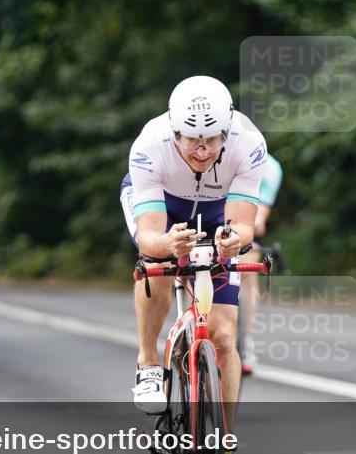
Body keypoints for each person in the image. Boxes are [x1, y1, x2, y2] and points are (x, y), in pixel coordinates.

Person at [120, 75, 266, 420]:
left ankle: (223, 440)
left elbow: (243, 224)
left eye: (212, 141)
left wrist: (234, 243)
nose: (202, 151)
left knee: (225, 337)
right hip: (164, 208)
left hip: (219, 212)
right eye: (191, 141)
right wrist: (169, 243)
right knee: (156, 258)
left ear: (227, 132)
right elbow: (149, 235)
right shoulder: (149, 145)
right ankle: (149, 363)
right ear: (175, 134)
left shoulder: (249, 143)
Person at [237, 153, 283, 375]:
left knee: (247, 272)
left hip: (247, 225)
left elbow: (259, 220)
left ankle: (247, 339)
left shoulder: (270, 168)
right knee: (197, 269)